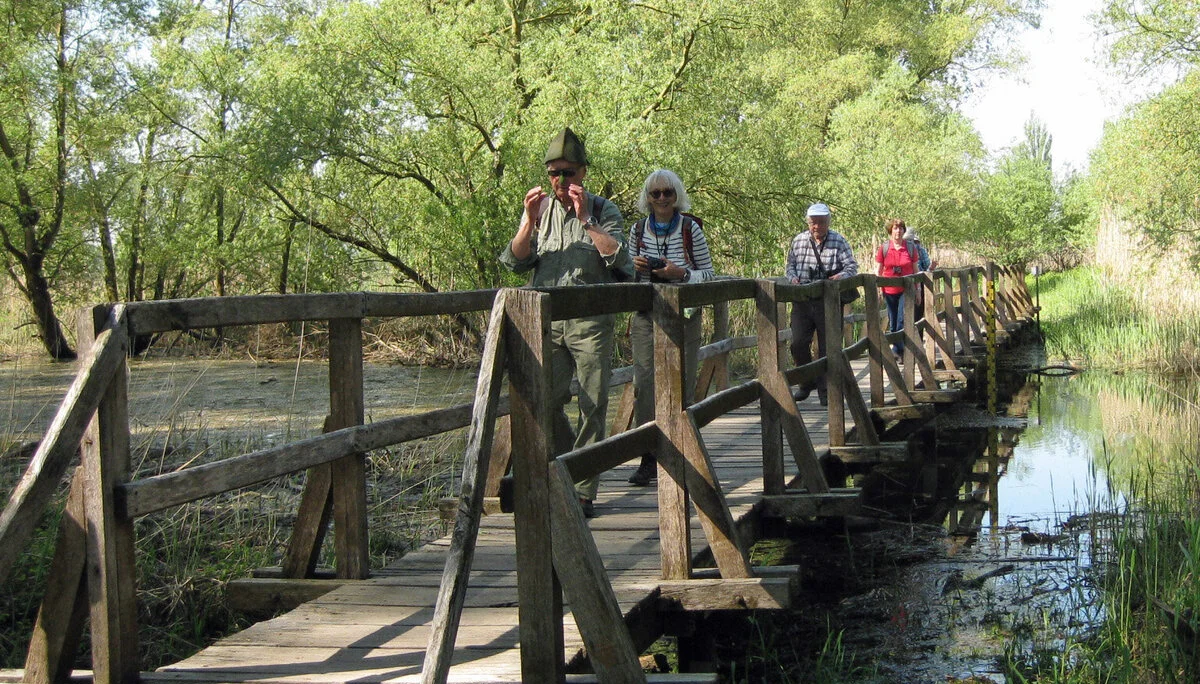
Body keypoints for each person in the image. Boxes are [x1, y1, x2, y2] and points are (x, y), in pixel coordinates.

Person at [499, 127, 633, 517]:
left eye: (568, 172)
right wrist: (527, 221)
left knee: (594, 402)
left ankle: (584, 490)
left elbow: (620, 261)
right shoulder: (540, 211)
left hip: (590, 321)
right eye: (554, 172)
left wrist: (586, 220)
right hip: (547, 322)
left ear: (582, 173)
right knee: (545, 399)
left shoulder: (604, 210)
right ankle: (570, 467)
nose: (560, 181)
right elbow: (515, 261)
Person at [626, 169, 715, 486]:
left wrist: (680, 273)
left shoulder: (690, 229)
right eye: (655, 194)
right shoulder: (638, 230)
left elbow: (708, 275)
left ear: (677, 195)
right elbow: (627, 277)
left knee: (682, 383)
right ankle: (649, 457)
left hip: (683, 316)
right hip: (646, 314)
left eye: (668, 193)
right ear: (647, 198)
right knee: (645, 384)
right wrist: (635, 267)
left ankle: (683, 454)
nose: (662, 198)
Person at [784, 202, 858, 405]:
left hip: (829, 300)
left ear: (828, 222)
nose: (817, 227)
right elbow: (790, 266)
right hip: (803, 299)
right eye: (813, 223)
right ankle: (806, 382)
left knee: (828, 346)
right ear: (808, 223)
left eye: (821, 222)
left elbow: (852, 267)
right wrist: (793, 279)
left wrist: (838, 278)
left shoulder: (838, 241)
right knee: (798, 343)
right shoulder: (798, 241)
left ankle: (827, 391)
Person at [875, 219, 920, 359]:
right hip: (888, 290)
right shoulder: (884, 248)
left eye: (901, 228)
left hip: (906, 290)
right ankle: (898, 348)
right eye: (895, 228)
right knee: (893, 321)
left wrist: (918, 290)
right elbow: (878, 271)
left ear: (903, 231)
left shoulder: (911, 248)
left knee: (901, 319)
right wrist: (878, 289)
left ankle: (897, 350)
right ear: (890, 230)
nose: (898, 231)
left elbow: (916, 270)